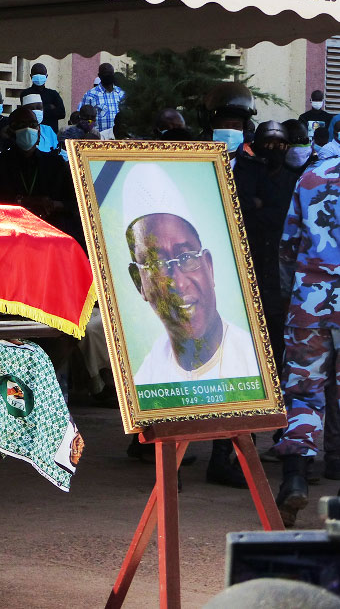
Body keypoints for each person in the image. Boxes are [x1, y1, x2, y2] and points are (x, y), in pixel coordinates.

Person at [123, 163, 260, 487]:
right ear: (139, 282)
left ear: (209, 266)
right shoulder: (147, 377)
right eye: (156, 264)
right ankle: (168, 466)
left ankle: (224, 460)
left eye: (186, 258)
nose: (177, 282)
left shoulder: (251, 362)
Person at [273, 148, 340, 525]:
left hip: (310, 299)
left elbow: (288, 243)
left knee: (302, 391)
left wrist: (290, 294)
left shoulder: (312, 176)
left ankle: (294, 480)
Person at [233, 120, 297, 362]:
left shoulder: (293, 179)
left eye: (280, 145)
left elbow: (284, 215)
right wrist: (254, 206)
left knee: (276, 322)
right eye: (268, 144)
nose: (274, 149)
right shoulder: (246, 173)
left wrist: (259, 207)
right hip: (250, 255)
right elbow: (238, 209)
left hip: (279, 262)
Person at [0, 105, 82, 243]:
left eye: (33, 125)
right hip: (8, 236)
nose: (28, 129)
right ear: (10, 132)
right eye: (21, 125)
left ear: (39, 132)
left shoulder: (56, 163)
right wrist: (22, 202)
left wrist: (52, 205)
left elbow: (75, 203)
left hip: (49, 237)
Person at [199, 82, 257, 168]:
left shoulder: (255, 169)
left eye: (236, 126)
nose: (230, 131)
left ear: (244, 129)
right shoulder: (194, 163)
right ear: (210, 126)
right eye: (225, 126)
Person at [21, 63, 66, 133]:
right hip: (31, 132)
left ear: (46, 76)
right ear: (31, 76)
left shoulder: (53, 94)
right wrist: (49, 108)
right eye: (36, 74)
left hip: (50, 133)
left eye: (41, 75)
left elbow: (62, 113)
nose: (39, 78)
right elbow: (26, 113)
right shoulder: (26, 93)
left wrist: (40, 110)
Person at [80, 63, 125, 133]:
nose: (108, 76)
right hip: (99, 137)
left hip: (119, 137)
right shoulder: (90, 95)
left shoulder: (122, 93)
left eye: (110, 73)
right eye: (105, 74)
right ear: (99, 76)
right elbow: (85, 119)